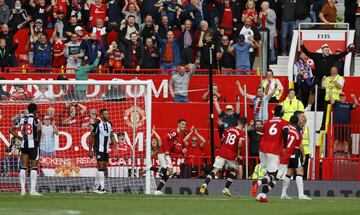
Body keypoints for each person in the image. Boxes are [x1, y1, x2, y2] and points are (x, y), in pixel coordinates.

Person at [199, 117, 247, 197]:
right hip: (231, 154)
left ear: (238, 122)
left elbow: (222, 138)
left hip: (222, 151)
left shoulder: (229, 128)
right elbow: (240, 144)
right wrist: (238, 154)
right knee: (233, 170)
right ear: (244, 125)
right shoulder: (241, 132)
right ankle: (226, 188)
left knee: (215, 170)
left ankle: (205, 184)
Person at [300, 40, 353, 111]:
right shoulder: (316, 56)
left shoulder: (332, 57)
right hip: (318, 78)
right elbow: (307, 52)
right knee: (313, 91)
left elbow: (341, 55)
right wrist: (302, 45)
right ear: (322, 51)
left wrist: (348, 50)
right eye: (326, 50)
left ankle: (332, 108)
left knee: (328, 94)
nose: (328, 51)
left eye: (328, 50)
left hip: (328, 79)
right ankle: (309, 106)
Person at [251, 105, 289, 203]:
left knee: (268, 172)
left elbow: (260, 135)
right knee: (273, 175)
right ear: (282, 113)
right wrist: (284, 146)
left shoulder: (267, 122)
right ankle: (258, 183)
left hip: (262, 149)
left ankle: (263, 195)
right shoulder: (284, 123)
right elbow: (285, 132)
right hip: (273, 150)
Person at [143, 119, 187, 195]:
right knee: (167, 172)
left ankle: (157, 191)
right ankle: (150, 167)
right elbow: (164, 138)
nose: (184, 126)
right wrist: (166, 150)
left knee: (169, 172)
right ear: (178, 124)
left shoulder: (178, 136)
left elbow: (172, 148)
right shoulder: (175, 132)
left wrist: (181, 151)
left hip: (166, 154)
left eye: (185, 124)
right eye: (182, 124)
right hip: (162, 153)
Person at [10, 103, 42, 196]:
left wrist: (20, 138)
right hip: (33, 144)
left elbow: (11, 130)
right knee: (34, 167)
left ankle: (23, 190)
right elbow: (39, 129)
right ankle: (32, 191)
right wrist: (38, 140)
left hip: (24, 144)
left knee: (23, 167)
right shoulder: (36, 120)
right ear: (35, 110)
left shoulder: (21, 119)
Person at [278, 114, 312, 200]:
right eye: (302, 119)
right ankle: (301, 194)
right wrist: (304, 155)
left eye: (305, 120)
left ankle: (283, 194)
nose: (304, 121)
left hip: (288, 153)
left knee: (289, 172)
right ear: (298, 121)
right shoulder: (298, 129)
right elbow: (299, 144)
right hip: (295, 152)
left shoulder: (288, 128)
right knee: (300, 171)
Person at [88, 109, 118, 194]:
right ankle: (102, 188)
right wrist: (90, 150)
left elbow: (112, 136)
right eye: (106, 114)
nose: (108, 115)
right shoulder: (96, 124)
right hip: (98, 148)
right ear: (101, 115)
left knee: (102, 168)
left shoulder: (109, 124)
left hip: (106, 149)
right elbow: (91, 136)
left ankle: (95, 187)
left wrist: (116, 147)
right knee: (101, 167)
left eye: (108, 114)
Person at [330, 92, 358, 157]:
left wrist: (354, 98)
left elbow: (356, 104)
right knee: (336, 141)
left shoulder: (348, 105)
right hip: (337, 126)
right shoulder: (336, 103)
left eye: (343, 96)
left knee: (346, 141)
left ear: (345, 97)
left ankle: (346, 154)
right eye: (340, 96)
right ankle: (334, 154)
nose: (342, 97)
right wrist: (330, 91)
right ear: (339, 97)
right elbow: (331, 100)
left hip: (346, 126)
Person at [320, 66, 345, 131]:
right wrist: (322, 80)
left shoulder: (340, 78)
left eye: (334, 70)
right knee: (325, 115)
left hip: (336, 99)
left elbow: (339, 86)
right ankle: (323, 128)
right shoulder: (327, 78)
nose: (333, 71)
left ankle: (335, 129)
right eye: (332, 70)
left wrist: (334, 81)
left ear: (337, 71)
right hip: (327, 99)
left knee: (336, 115)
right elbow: (323, 87)